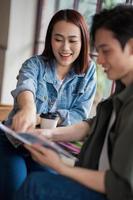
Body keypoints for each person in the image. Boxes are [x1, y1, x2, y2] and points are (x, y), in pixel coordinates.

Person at [14, 4, 133, 200]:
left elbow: (121, 187)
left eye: (106, 51)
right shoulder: (120, 91)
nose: (100, 60)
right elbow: (90, 125)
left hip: (103, 187)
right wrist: (44, 127)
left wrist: (60, 166)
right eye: (58, 39)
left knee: (35, 185)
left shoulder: (91, 73)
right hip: (22, 142)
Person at [0, 9, 96, 200]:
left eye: (73, 40)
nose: (65, 47)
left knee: (44, 193)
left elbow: (80, 114)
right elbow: (25, 85)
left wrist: (43, 118)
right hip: (12, 144)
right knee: (15, 192)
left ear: (83, 41)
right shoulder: (34, 64)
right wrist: (28, 108)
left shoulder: (88, 71)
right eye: (58, 39)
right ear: (50, 39)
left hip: (47, 148)